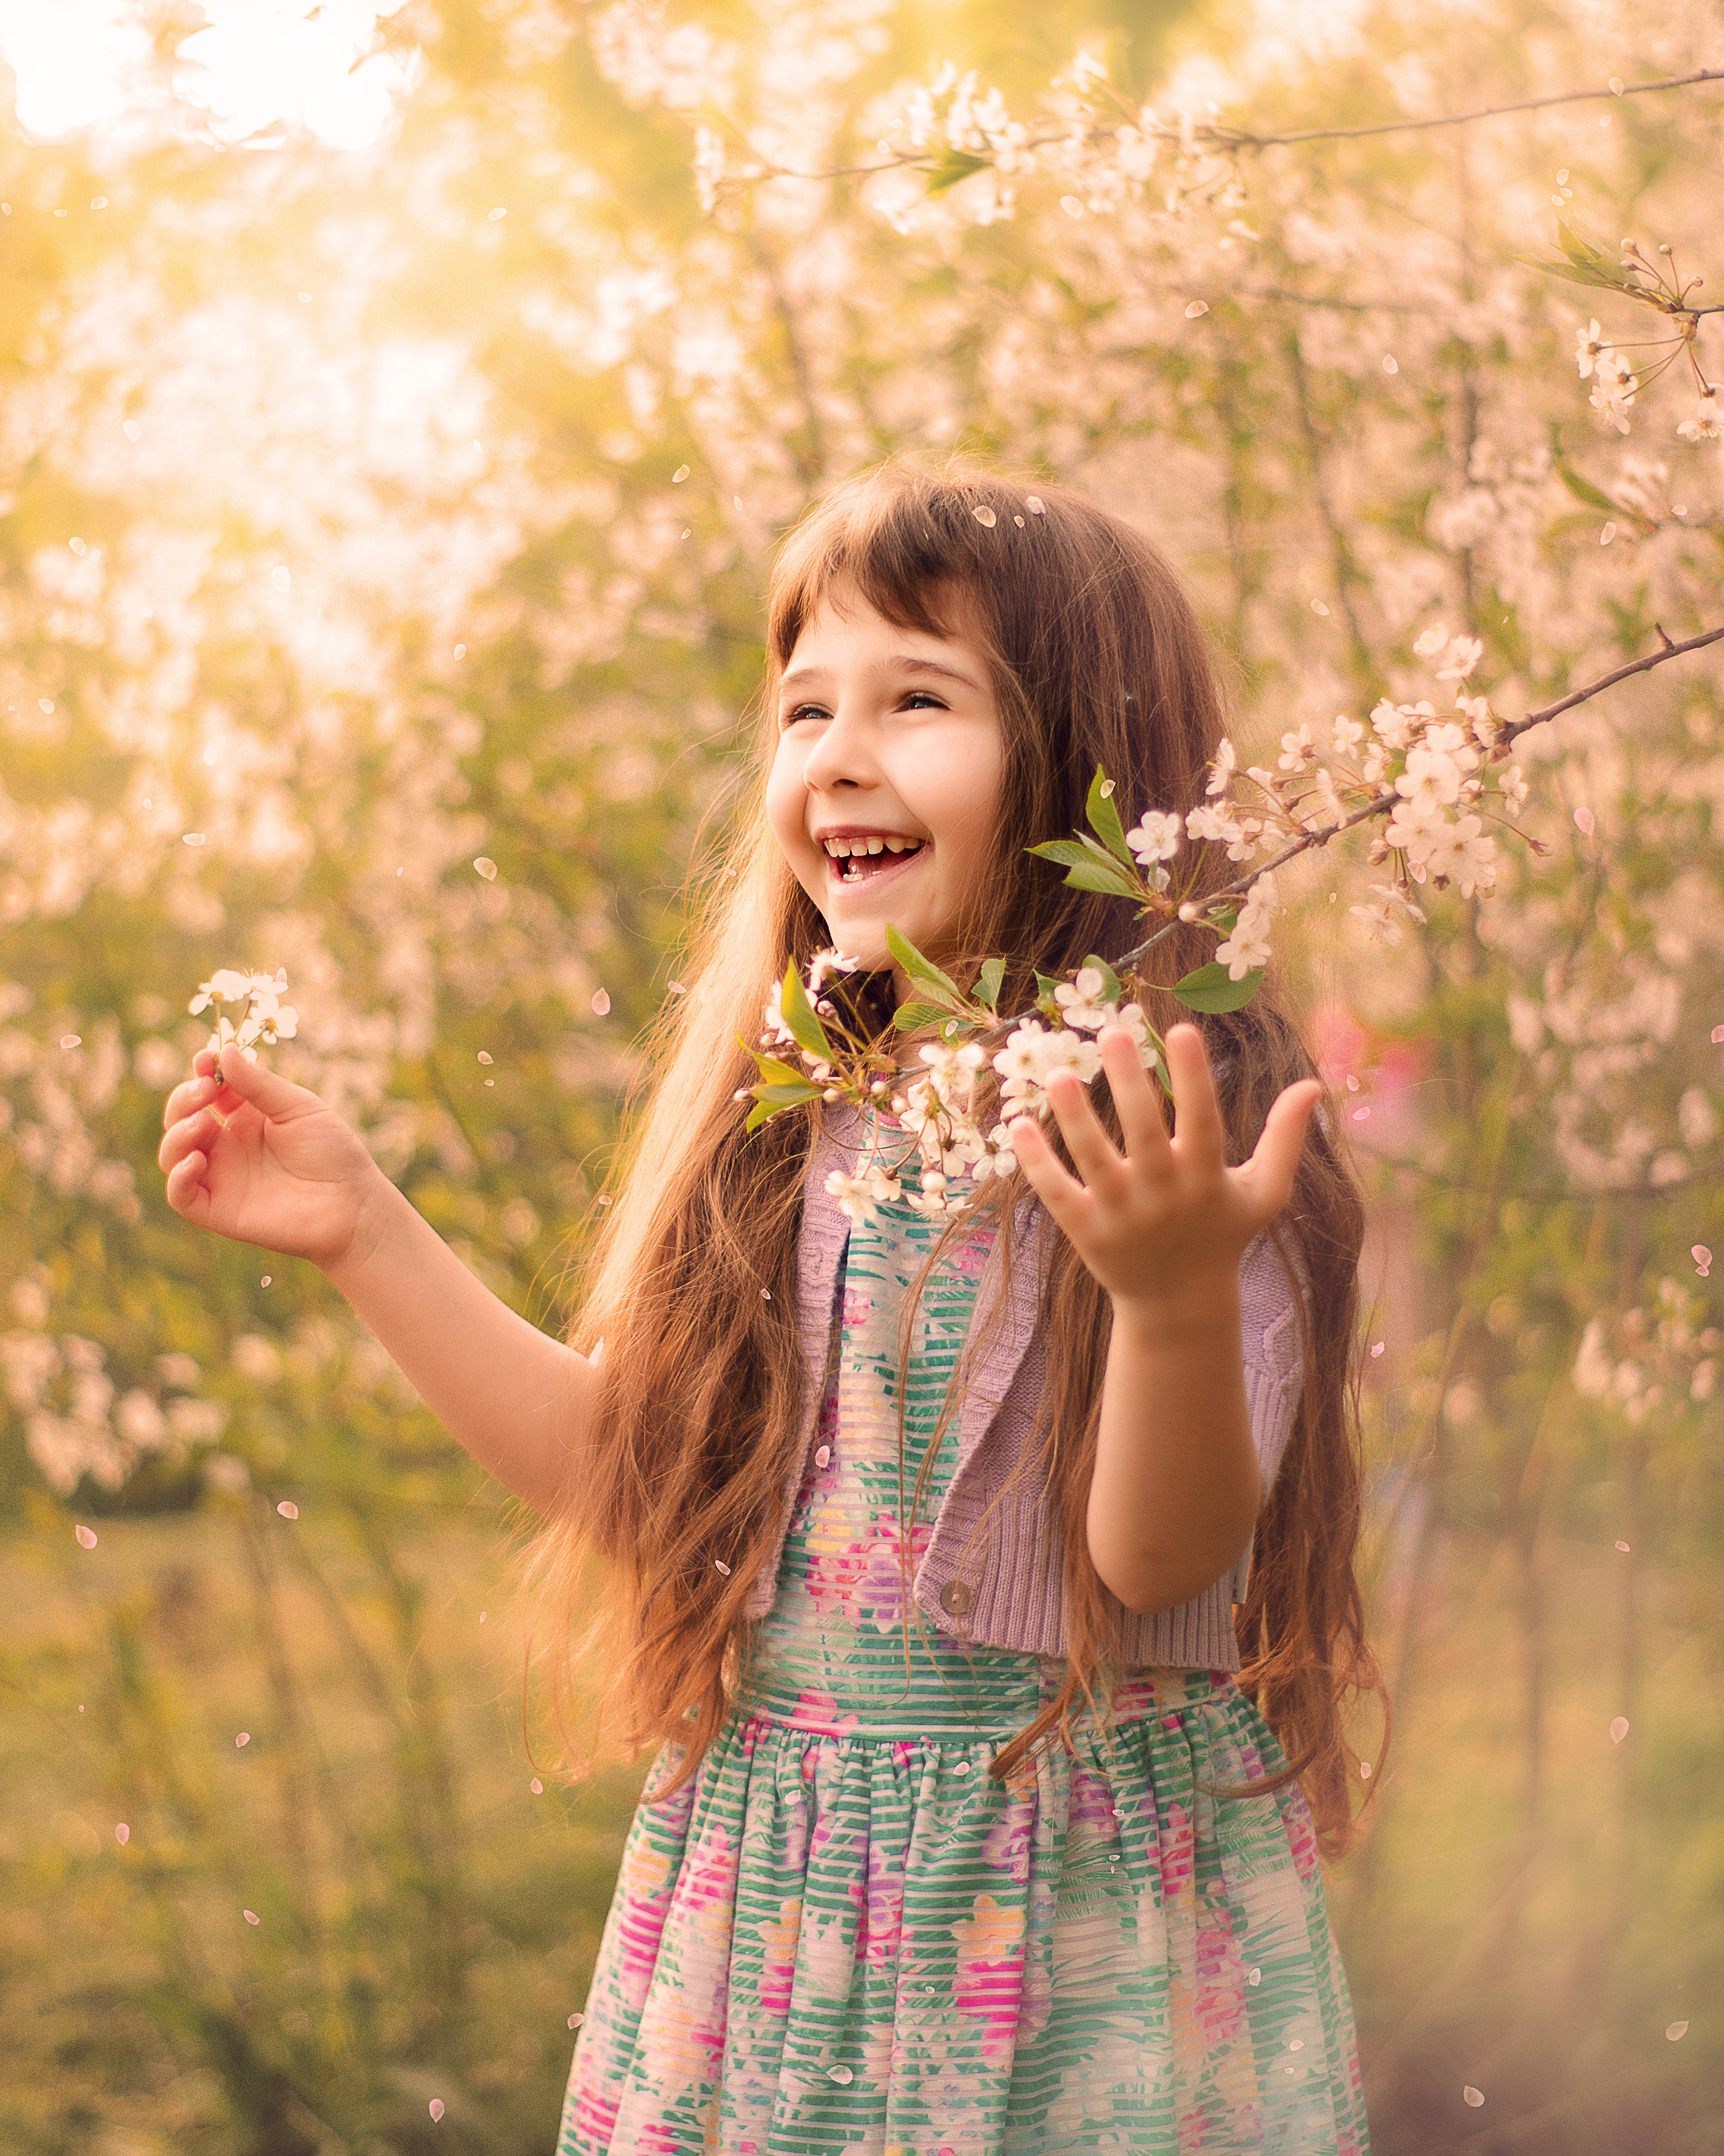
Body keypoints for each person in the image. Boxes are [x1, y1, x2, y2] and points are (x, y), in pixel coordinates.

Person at [158, 463, 1382, 2154]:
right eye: (805, 705)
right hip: (783, 1897)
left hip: (1070, 1906)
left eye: (919, 696)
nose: (839, 751)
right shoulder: (795, 1124)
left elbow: (1158, 1565)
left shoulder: (1170, 1135)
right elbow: (629, 1472)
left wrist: (1167, 1302)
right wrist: (369, 1229)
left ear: (1090, 765)